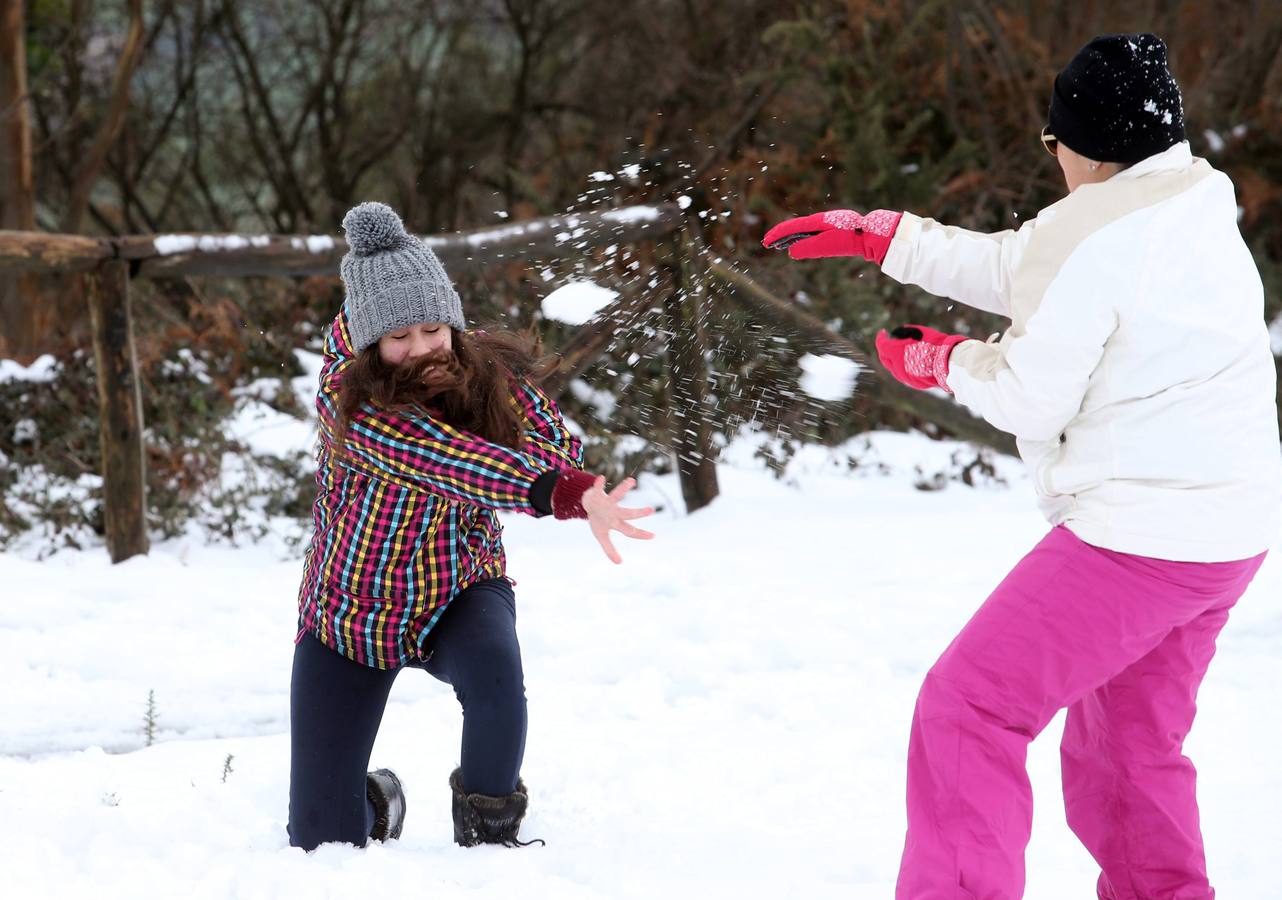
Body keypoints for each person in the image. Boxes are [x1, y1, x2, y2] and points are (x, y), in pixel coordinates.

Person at [763, 33, 1280, 900]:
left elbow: (1032, 396)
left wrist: (947, 364)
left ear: (1083, 143)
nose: (1053, 161)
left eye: (1054, 144)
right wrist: (888, 240)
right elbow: (1028, 266)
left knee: (968, 711)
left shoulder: (1098, 236)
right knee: (1128, 747)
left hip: (1138, 537)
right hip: (1226, 537)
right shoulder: (1188, 198)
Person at [288, 201, 655, 852]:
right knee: (320, 841)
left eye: (434, 329)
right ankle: (375, 800)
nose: (421, 347)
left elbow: (550, 445)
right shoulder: (354, 408)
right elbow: (456, 463)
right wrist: (557, 491)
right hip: (350, 613)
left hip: (458, 591)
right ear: (371, 342)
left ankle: (490, 837)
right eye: (399, 338)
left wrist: (578, 484)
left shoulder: (477, 367)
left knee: (494, 677)